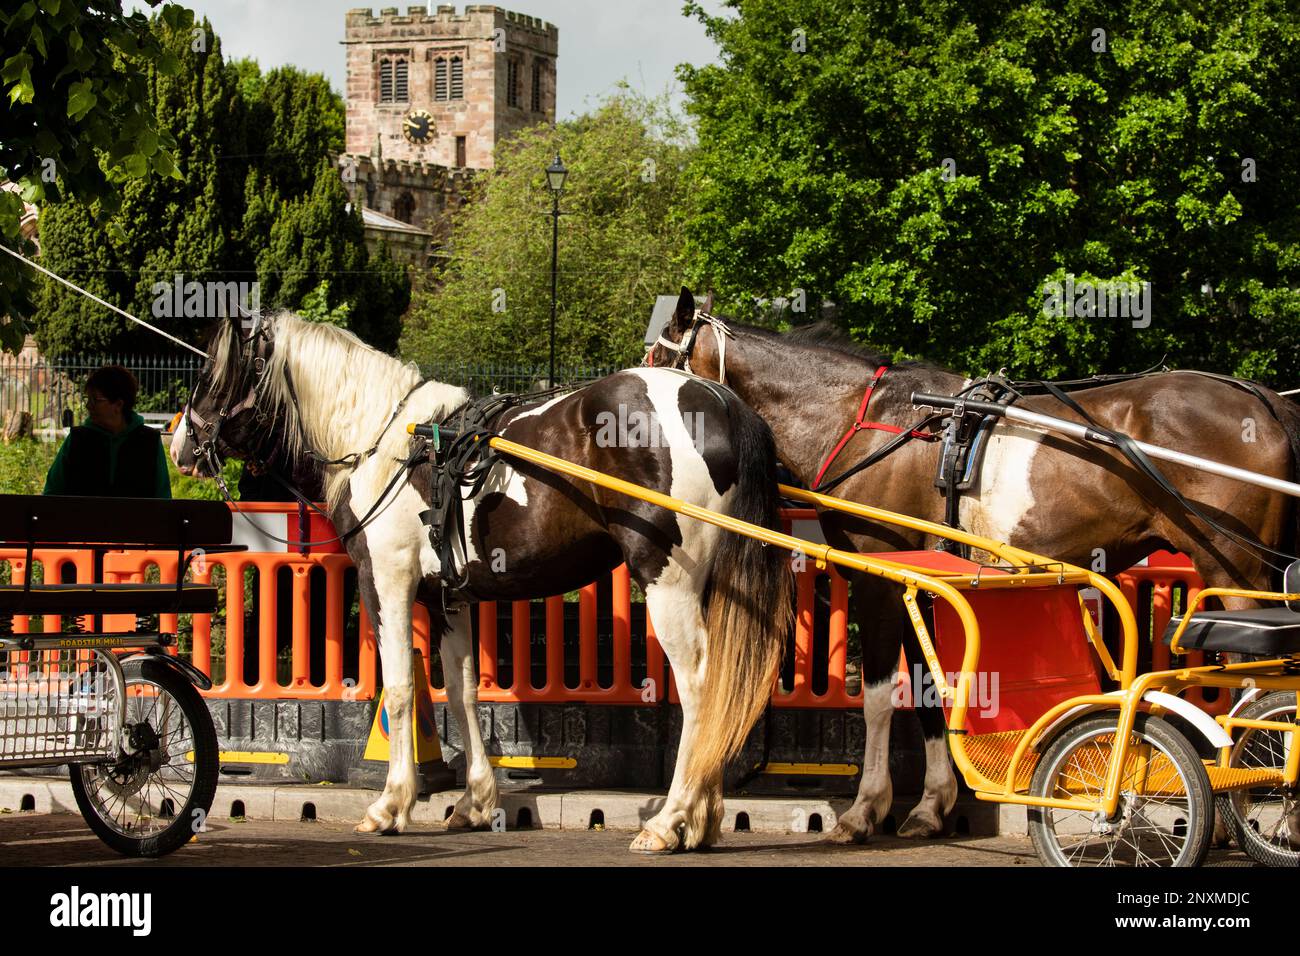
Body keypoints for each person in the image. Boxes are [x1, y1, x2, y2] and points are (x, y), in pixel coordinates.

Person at [44, 365, 172, 498]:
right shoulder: (77, 439)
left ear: (118, 404)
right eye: (88, 399)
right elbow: (52, 492)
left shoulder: (149, 441)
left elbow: (163, 497)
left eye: (96, 400)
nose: (88, 406)